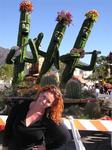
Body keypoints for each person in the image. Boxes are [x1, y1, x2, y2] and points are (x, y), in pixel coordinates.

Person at [2, 85, 71, 150]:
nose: (44, 101)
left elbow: (65, 137)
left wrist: (47, 148)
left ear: (51, 105)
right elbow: (8, 127)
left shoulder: (48, 118)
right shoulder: (20, 106)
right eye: (44, 97)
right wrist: (4, 146)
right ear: (40, 93)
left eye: (48, 101)